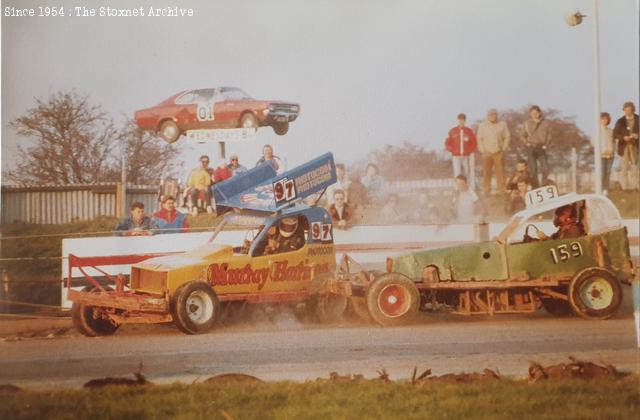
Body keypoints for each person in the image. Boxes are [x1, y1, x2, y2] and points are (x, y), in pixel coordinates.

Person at [476, 108, 511, 196]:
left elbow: (507, 136)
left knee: (501, 173)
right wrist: (482, 150)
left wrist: (504, 148)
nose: (492, 116)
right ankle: (487, 191)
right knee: (487, 173)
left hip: (498, 152)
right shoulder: (482, 126)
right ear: (487, 116)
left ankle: (502, 191)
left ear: (497, 115)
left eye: (494, 114)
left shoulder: (502, 124)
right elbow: (479, 138)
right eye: (490, 115)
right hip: (487, 153)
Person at [521, 105, 552, 188]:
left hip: (541, 147)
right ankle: (536, 187)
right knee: (533, 170)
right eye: (532, 113)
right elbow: (522, 136)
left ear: (539, 113)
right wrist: (526, 143)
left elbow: (549, 136)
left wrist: (546, 145)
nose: (534, 114)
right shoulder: (527, 123)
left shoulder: (546, 123)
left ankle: (544, 185)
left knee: (545, 168)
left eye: (536, 113)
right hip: (531, 147)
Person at [613, 102, 639, 190]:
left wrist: (637, 135)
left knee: (634, 166)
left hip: (635, 146)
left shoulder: (638, 119)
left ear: (633, 110)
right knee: (623, 167)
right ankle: (624, 187)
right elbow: (615, 134)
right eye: (626, 110)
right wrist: (623, 137)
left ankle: (634, 186)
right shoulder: (620, 121)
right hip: (623, 147)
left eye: (629, 110)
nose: (628, 112)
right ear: (623, 110)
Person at [445, 113, 477, 185]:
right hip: (456, 156)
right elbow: (447, 143)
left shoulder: (469, 131)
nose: (461, 121)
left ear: (465, 120)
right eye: (460, 120)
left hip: (466, 156)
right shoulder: (453, 131)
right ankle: (457, 188)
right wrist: (452, 149)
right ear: (458, 120)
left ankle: (468, 187)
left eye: (463, 120)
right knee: (457, 173)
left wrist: (469, 151)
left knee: (467, 172)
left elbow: (474, 143)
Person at [594, 112, 615, 194]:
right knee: (602, 173)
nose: (604, 120)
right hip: (601, 155)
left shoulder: (610, 131)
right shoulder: (597, 130)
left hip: (610, 155)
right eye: (602, 119)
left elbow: (613, 142)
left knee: (608, 173)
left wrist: (613, 150)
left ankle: (606, 189)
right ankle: (600, 189)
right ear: (600, 120)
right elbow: (593, 142)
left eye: (606, 119)